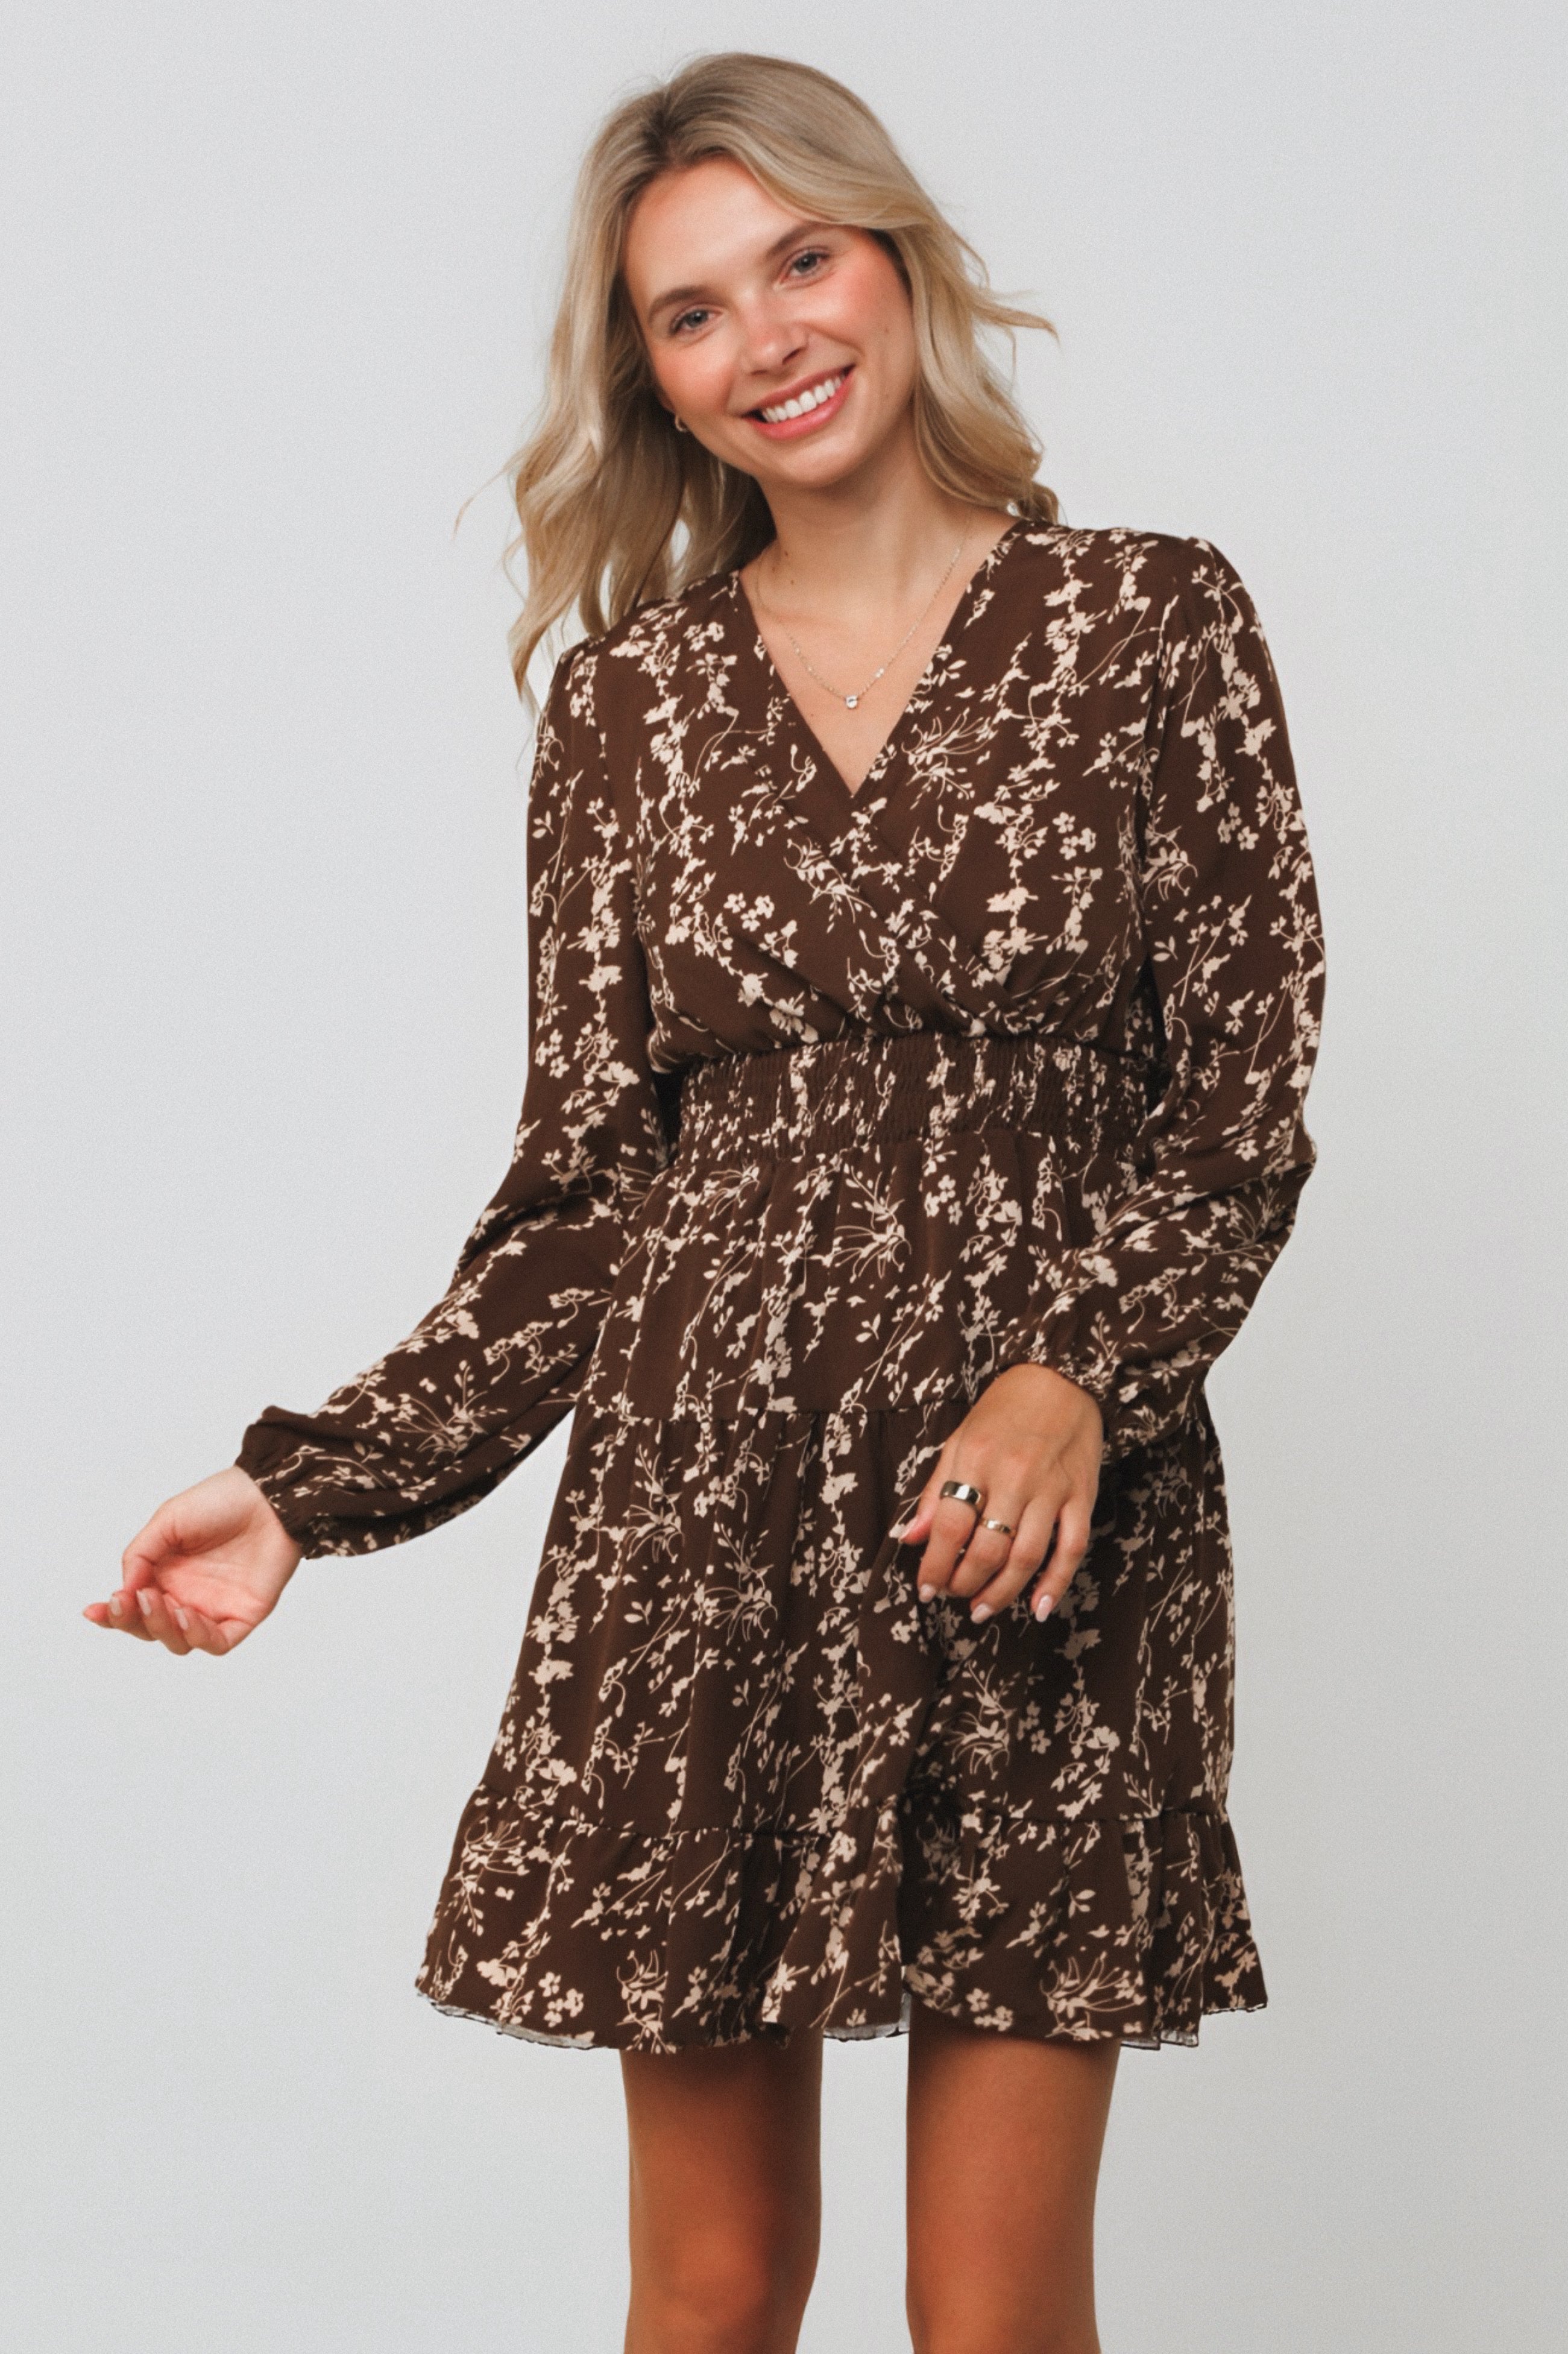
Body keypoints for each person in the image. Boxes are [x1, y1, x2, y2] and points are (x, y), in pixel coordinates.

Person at [84, 51, 1324, 2354]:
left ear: (899, 260)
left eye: (801, 262)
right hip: (702, 1526)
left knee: (995, 2316)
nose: (763, 338)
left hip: (1035, 1536)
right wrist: (309, 1493)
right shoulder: (625, 710)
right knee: (712, 2291)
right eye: (688, 312)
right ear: (646, 375)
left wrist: (1078, 1379)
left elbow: (1237, 1107)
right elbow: (584, 1194)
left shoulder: (1149, 626)